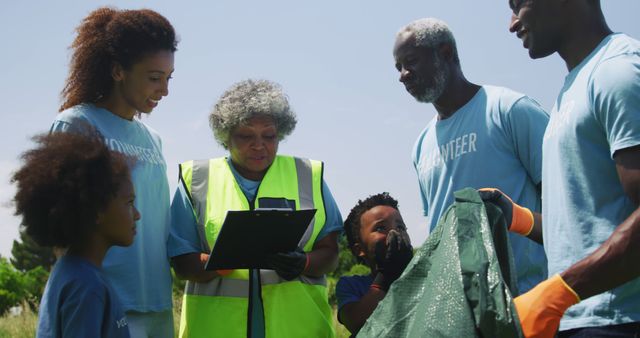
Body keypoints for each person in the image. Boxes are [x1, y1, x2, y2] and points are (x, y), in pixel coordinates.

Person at [486, 1, 640, 337]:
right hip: (579, 319)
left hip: (621, 321)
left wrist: (557, 293)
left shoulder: (618, 72)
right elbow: (590, 228)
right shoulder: (574, 86)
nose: (512, 23)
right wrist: (522, 220)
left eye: (518, 4)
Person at [170, 79, 343, 338]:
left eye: (269, 136)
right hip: (216, 330)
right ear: (225, 136)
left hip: (299, 329)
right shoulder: (196, 179)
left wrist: (304, 263)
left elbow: (330, 252)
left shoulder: (309, 175)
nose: (259, 145)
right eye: (246, 136)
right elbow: (182, 262)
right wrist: (220, 263)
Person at [393, 18, 549, 294]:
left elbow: (566, 211)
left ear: (445, 53)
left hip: (525, 303)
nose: (403, 74)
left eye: (411, 61)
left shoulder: (509, 110)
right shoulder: (421, 145)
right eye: (399, 67)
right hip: (458, 315)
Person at [50, 7, 178, 337]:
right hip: (103, 304)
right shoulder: (77, 125)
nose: (164, 90)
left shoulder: (155, 140)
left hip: (157, 305)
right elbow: (59, 228)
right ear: (118, 71)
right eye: (154, 78)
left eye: (168, 78)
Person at [12, 131, 139, 338]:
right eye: (129, 203)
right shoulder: (87, 286)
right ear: (97, 210)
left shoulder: (71, 272)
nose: (137, 214)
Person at [336, 192, 413, 336]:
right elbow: (355, 323)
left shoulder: (424, 277)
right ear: (359, 249)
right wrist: (386, 276)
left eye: (401, 227)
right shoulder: (351, 285)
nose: (394, 231)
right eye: (380, 228)